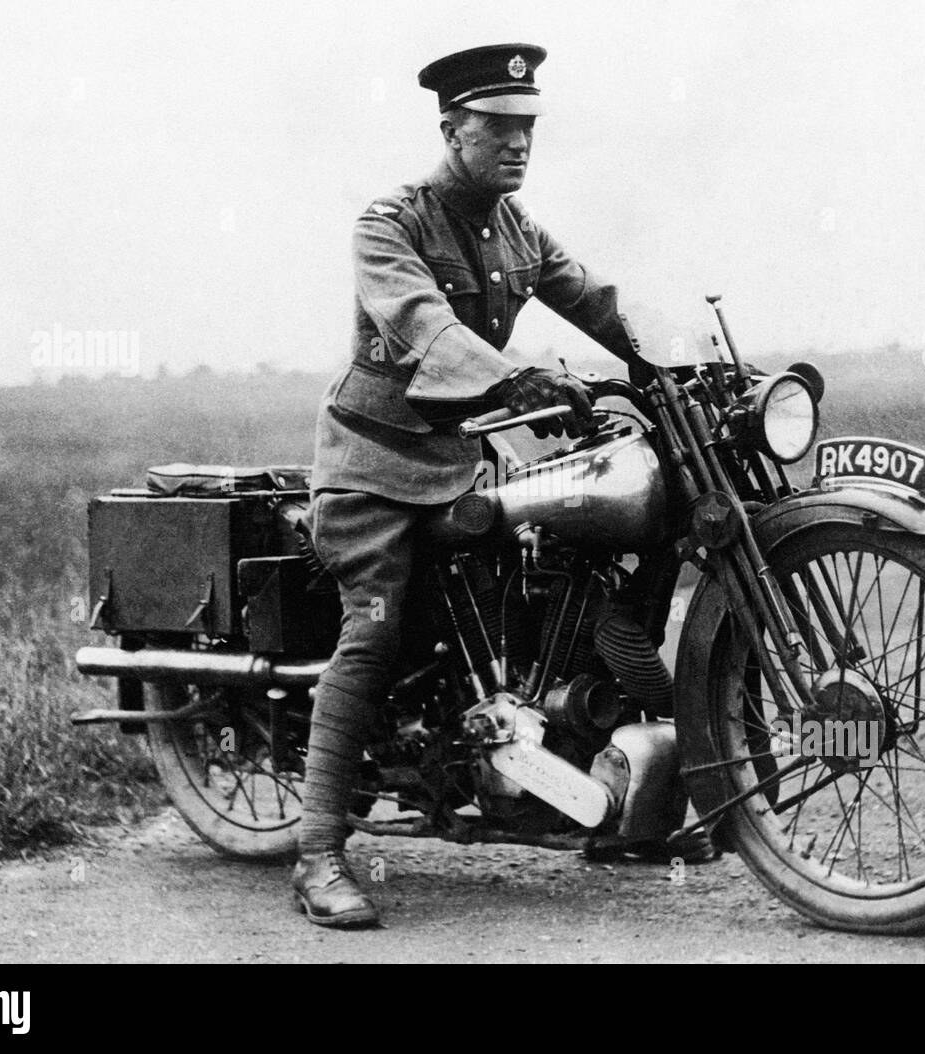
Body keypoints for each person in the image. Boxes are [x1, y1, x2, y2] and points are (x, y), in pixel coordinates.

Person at [293, 43, 649, 927]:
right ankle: (317, 856)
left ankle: (573, 780)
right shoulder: (391, 222)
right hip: (374, 469)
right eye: (497, 126)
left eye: (526, 126)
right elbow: (423, 325)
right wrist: (512, 379)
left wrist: (652, 367)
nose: (517, 143)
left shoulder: (515, 226)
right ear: (452, 129)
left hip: (458, 462)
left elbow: (587, 296)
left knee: (555, 568)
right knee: (371, 635)